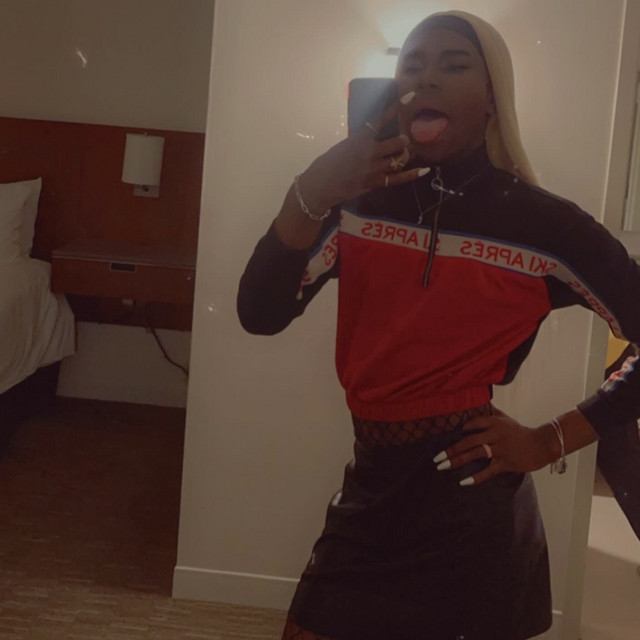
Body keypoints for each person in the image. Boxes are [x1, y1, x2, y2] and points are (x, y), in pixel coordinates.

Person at [237, 9, 640, 640]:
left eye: (454, 66)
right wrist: (309, 191)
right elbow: (259, 314)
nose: (426, 80)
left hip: (471, 507)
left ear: (492, 97)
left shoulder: (543, 225)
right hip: (370, 493)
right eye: (412, 66)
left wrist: (549, 441)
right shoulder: (358, 204)